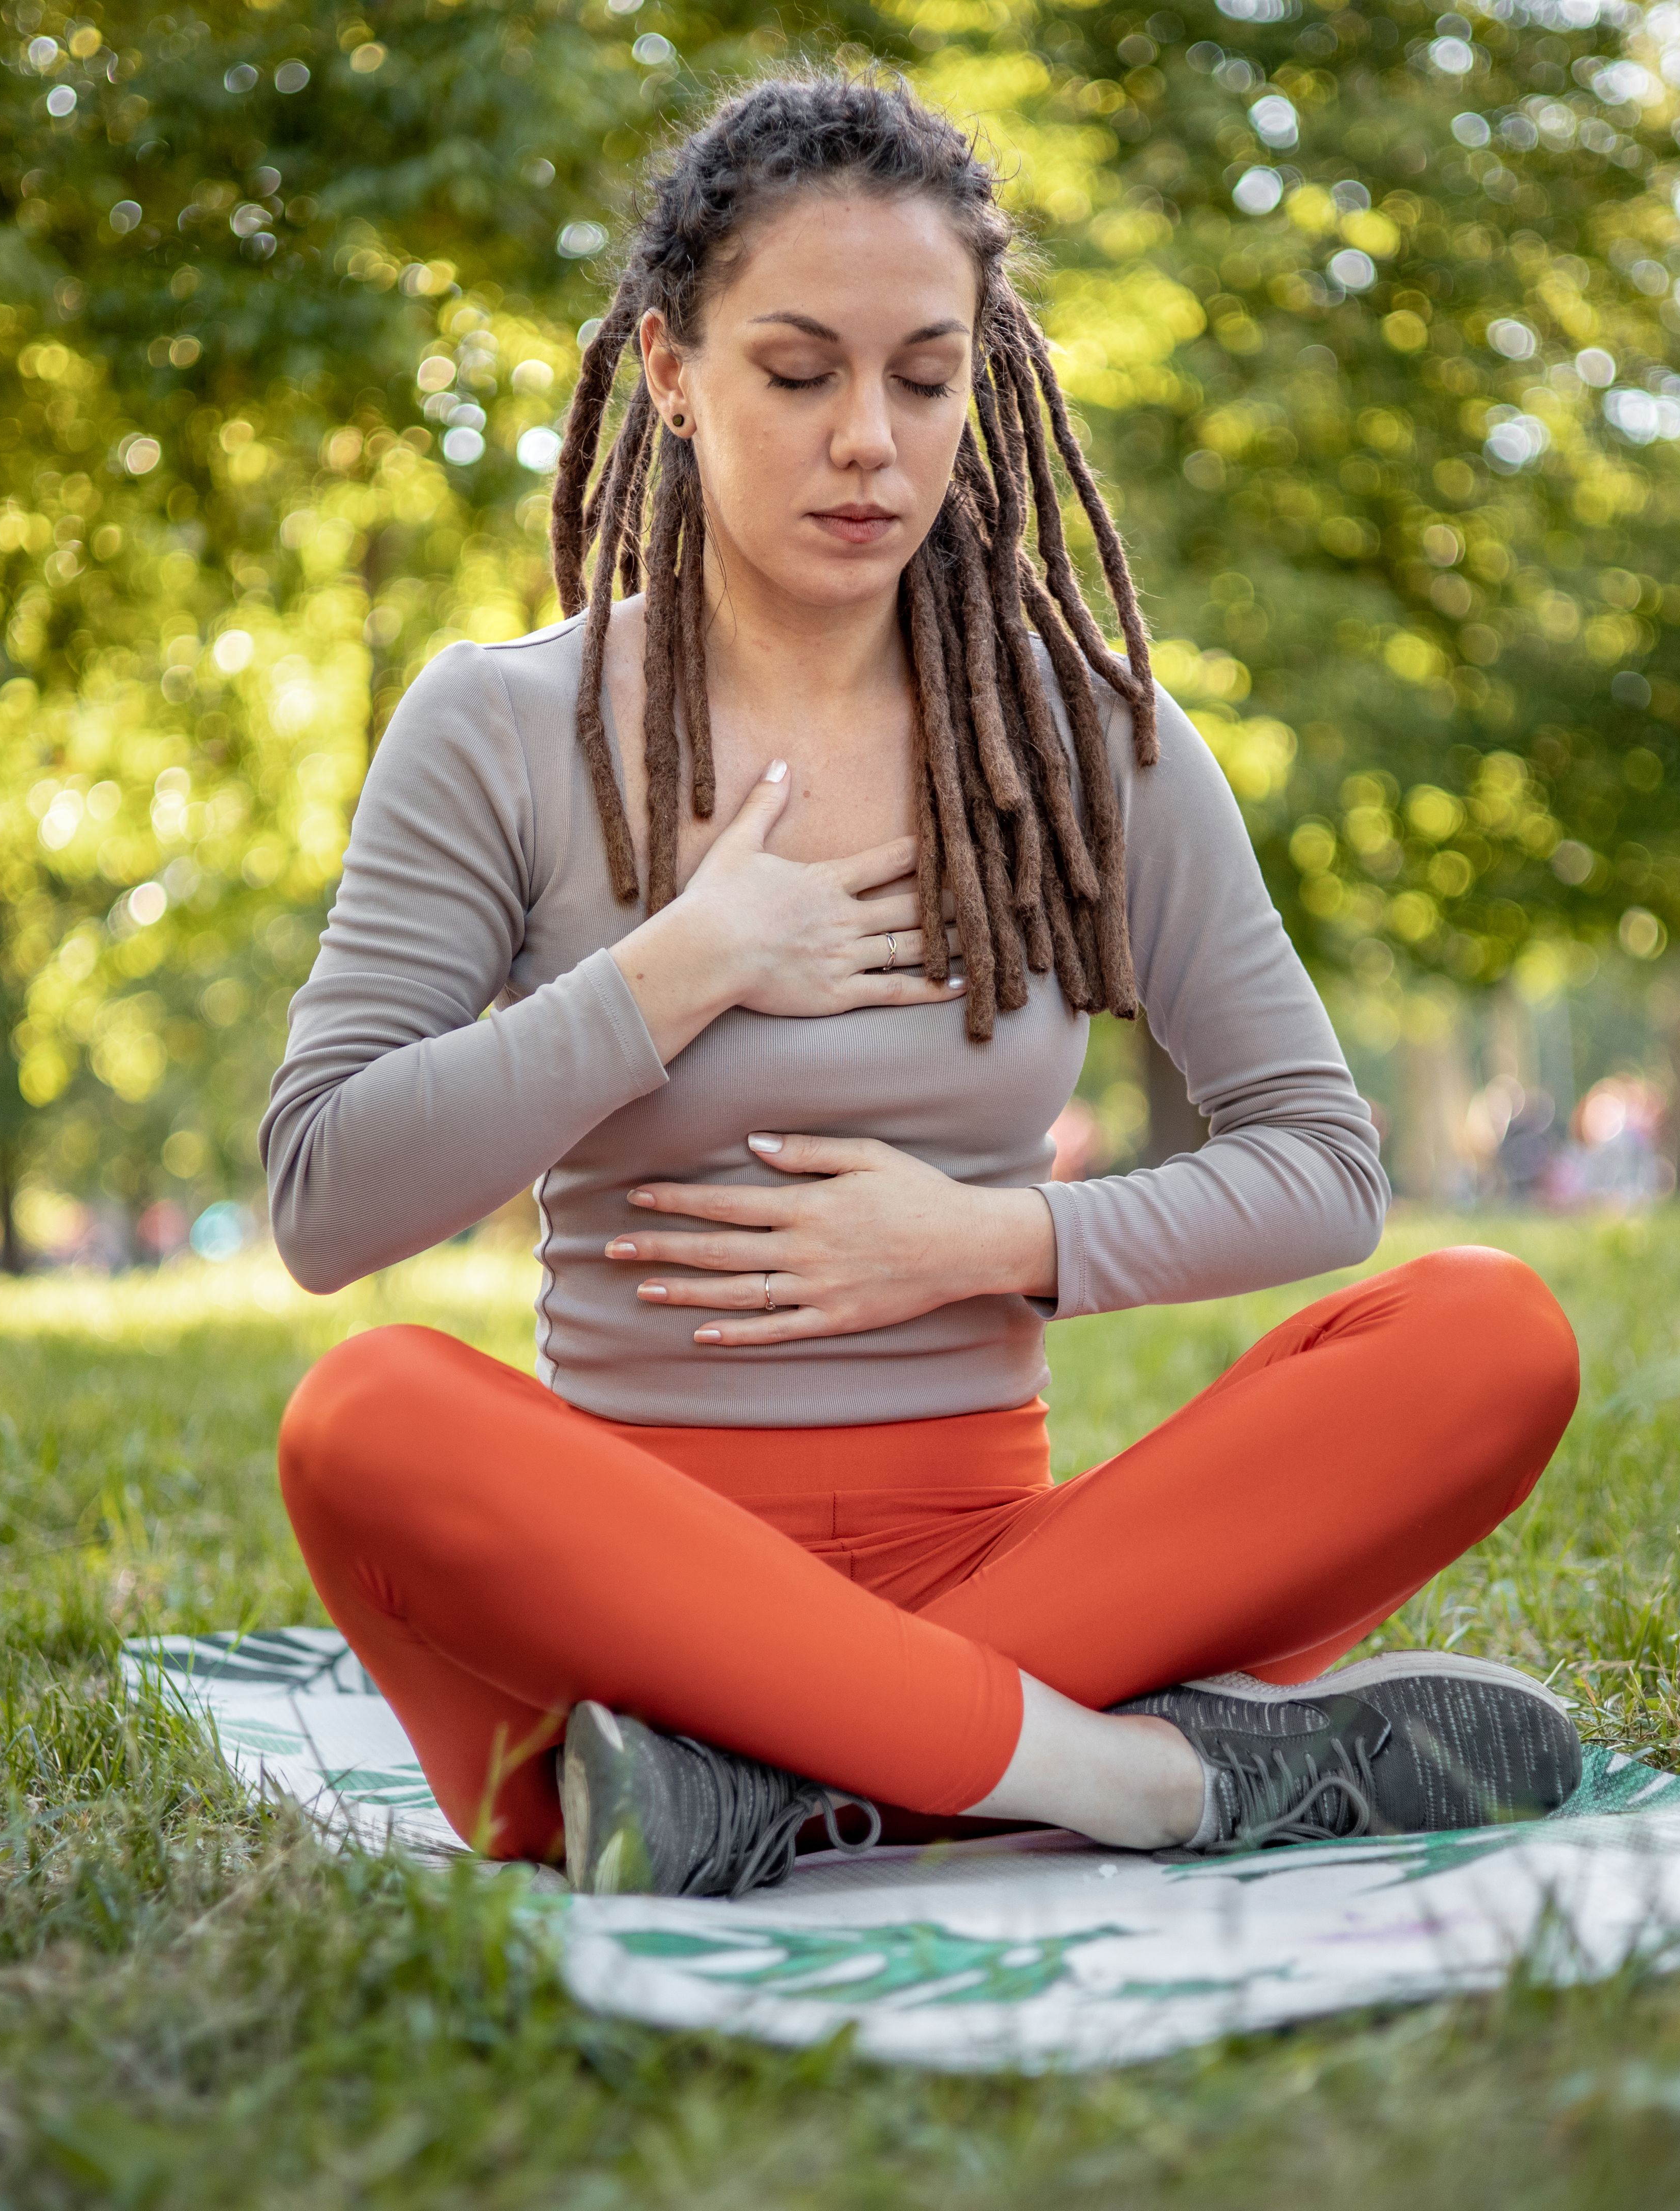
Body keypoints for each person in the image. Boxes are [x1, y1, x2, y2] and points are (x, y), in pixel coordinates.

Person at [263, 75, 1585, 1899]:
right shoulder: (499, 728)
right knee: (365, 1418)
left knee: (1491, 1332)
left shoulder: (1088, 740)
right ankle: (1133, 1781)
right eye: (799, 374)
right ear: (669, 372)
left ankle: (763, 1789)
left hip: (1008, 1574)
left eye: (926, 377)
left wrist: (991, 1244)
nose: (869, 442)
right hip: (627, 1597)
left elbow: (1323, 1165)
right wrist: (676, 972)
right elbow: (326, 1199)